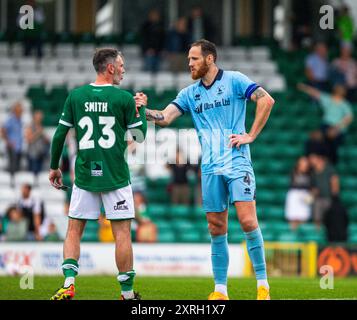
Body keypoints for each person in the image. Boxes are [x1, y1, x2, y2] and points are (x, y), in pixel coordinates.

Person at [135, 39, 275, 300]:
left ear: (209, 59)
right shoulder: (190, 93)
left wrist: (251, 136)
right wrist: (143, 111)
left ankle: (262, 286)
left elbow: (266, 100)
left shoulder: (234, 80)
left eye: (194, 58)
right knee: (215, 227)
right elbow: (165, 118)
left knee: (247, 221)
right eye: (189, 59)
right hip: (209, 168)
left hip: (237, 162)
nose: (189, 63)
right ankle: (220, 290)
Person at [48, 48, 147, 300]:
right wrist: (142, 109)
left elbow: (60, 135)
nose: (124, 69)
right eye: (121, 65)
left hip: (85, 176)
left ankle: (68, 283)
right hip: (115, 175)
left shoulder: (76, 96)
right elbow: (139, 135)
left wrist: (54, 166)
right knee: (122, 233)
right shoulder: (124, 99)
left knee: (74, 230)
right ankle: (126, 294)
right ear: (111, 68)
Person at [297, 83, 354, 164]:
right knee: (314, 137)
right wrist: (304, 87)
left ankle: (330, 162)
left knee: (331, 138)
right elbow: (315, 93)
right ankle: (309, 160)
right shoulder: (328, 99)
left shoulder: (345, 104)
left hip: (338, 128)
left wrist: (337, 128)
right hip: (325, 126)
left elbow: (349, 118)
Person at [309, 152, 340, 229]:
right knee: (317, 217)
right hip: (318, 198)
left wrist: (334, 195)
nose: (311, 161)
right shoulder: (313, 172)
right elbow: (313, 187)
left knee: (329, 217)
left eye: (313, 158)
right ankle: (318, 232)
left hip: (328, 197)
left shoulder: (329, 169)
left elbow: (335, 180)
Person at [285, 156, 313, 230]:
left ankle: (302, 237)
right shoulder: (293, 173)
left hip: (305, 195)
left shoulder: (310, 174)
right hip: (294, 195)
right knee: (293, 218)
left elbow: (312, 187)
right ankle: (293, 235)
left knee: (303, 217)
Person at [1, 102, 24, 177]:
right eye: (20, 110)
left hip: (18, 145)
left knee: (17, 165)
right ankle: (12, 182)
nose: (21, 111)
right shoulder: (11, 119)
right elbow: (3, 130)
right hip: (12, 145)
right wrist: (8, 141)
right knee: (12, 166)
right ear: (15, 110)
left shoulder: (20, 120)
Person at [139, 9, 166, 73]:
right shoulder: (145, 26)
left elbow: (163, 39)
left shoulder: (161, 26)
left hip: (158, 52)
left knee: (158, 72)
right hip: (149, 52)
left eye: (156, 15)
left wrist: (162, 49)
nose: (155, 17)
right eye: (153, 15)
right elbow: (144, 39)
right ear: (150, 16)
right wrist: (147, 49)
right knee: (148, 71)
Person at [25, 110, 50, 176]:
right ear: (34, 117)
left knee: (39, 174)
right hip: (33, 154)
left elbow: (45, 140)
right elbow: (29, 139)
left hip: (40, 153)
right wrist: (38, 133)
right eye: (38, 117)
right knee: (32, 174)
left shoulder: (41, 126)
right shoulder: (30, 126)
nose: (40, 119)